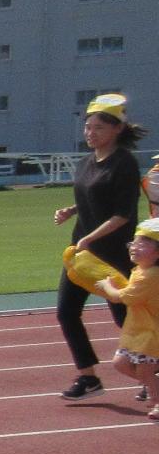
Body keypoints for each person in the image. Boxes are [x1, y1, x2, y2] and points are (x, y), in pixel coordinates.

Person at [54, 93, 147, 398]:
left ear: (117, 129)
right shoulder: (86, 162)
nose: (90, 134)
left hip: (114, 255)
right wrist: (72, 210)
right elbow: (94, 194)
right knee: (66, 312)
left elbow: (123, 213)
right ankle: (88, 377)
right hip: (82, 254)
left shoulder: (125, 164)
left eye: (98, 129)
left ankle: (152, 374)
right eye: (88, 128)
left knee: (124, 318)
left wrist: (91, 237)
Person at [93, 217, 159, 420]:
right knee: (120, 364)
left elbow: (122, 297)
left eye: (143, 244)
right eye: (134, 242)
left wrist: (106, 287)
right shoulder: (140, 271)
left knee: (146, 371)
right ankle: (154, 387)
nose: (135, 247)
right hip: (136, 330)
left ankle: (157, 401)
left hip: (151, 332)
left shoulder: (151, 276)